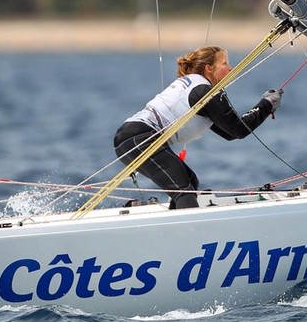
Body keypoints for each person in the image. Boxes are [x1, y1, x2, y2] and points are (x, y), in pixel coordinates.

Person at [113, 45, 282, 209]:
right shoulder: (204, 91)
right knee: (183, 190)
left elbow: (230, 132)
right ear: (209, 68)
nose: (230, 69)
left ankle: (176, 225)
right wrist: (266, 105)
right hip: (140, 139)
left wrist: (264, 107)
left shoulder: (196, 87)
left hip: (131, 138)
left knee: (190, 182)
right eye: (224, 64)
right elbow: (239, 130)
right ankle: (188, 234)